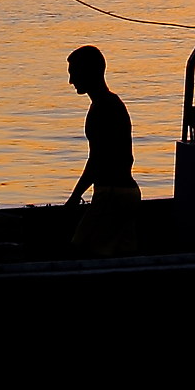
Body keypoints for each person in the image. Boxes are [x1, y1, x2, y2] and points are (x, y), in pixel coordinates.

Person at [64, 44, 139, 256]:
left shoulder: (102, 108)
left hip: (112, 194)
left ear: (89, 71)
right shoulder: (111, 102)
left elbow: (98, 159)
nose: (71, 81)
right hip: (126, 194)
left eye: (74, 73)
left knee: (81, 251)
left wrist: (74, 197)